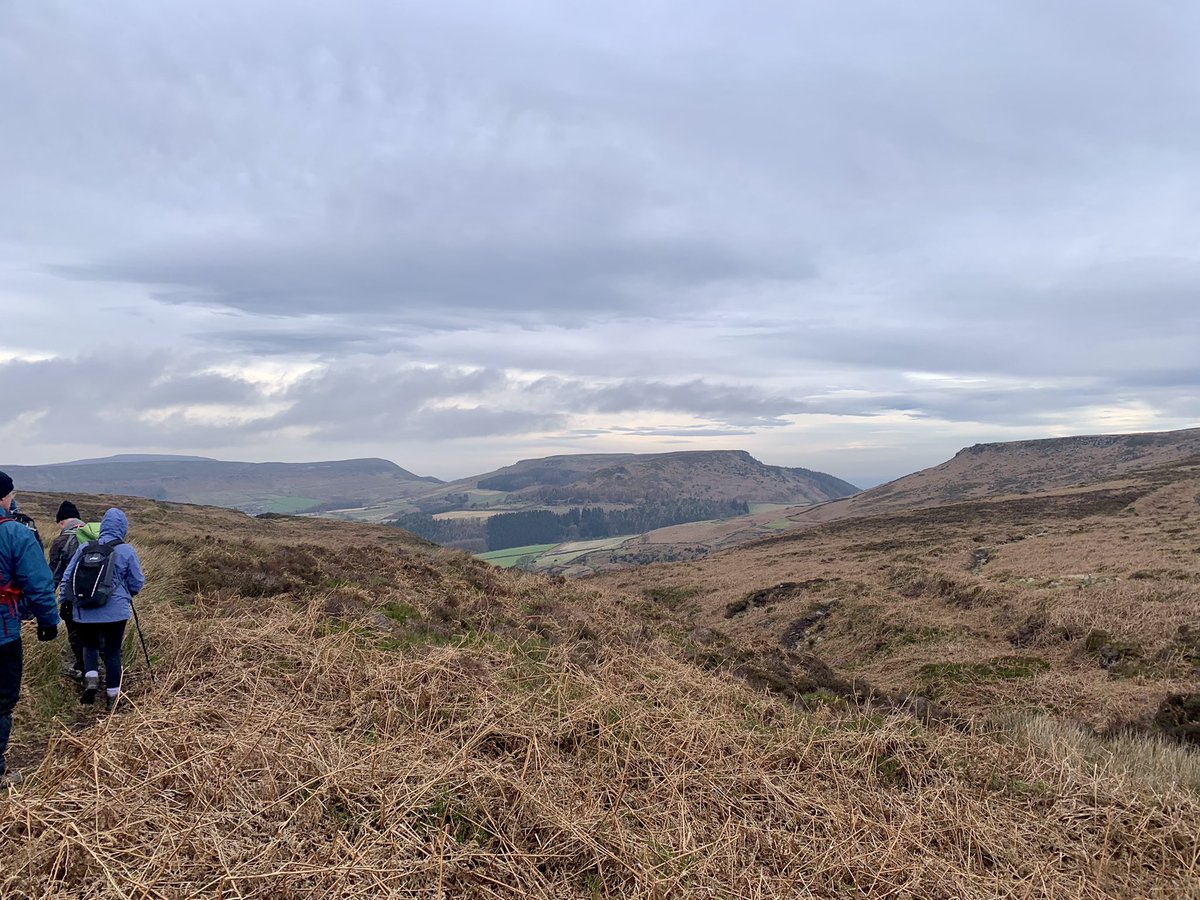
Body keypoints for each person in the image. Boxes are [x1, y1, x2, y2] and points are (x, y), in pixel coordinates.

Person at [0, 471, 60, 785]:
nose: (13, 500)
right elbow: (39, 585)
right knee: (2, 700)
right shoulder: (16, 534)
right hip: (3, 633)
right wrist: (48, 622)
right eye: (10, 494)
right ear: (3, 496)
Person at [61, 507, 144, 710]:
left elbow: (67, 577)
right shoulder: (126, 550)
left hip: (85, 609)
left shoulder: (85, 547)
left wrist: (65, 601)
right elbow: (137, 582)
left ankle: (91, 680)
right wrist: (126, 594)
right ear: (123, 528)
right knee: (113, 651)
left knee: (89, 645)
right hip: (116, 612)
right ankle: (113, 698)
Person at [47, 501, 87, 681]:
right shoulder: (96, 536)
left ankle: (83, 668)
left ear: (61, 522)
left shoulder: (60, 541)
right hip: (100, 598)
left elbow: (54, 574)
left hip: (72, 598)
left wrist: (46, 600)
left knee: (75, 633)